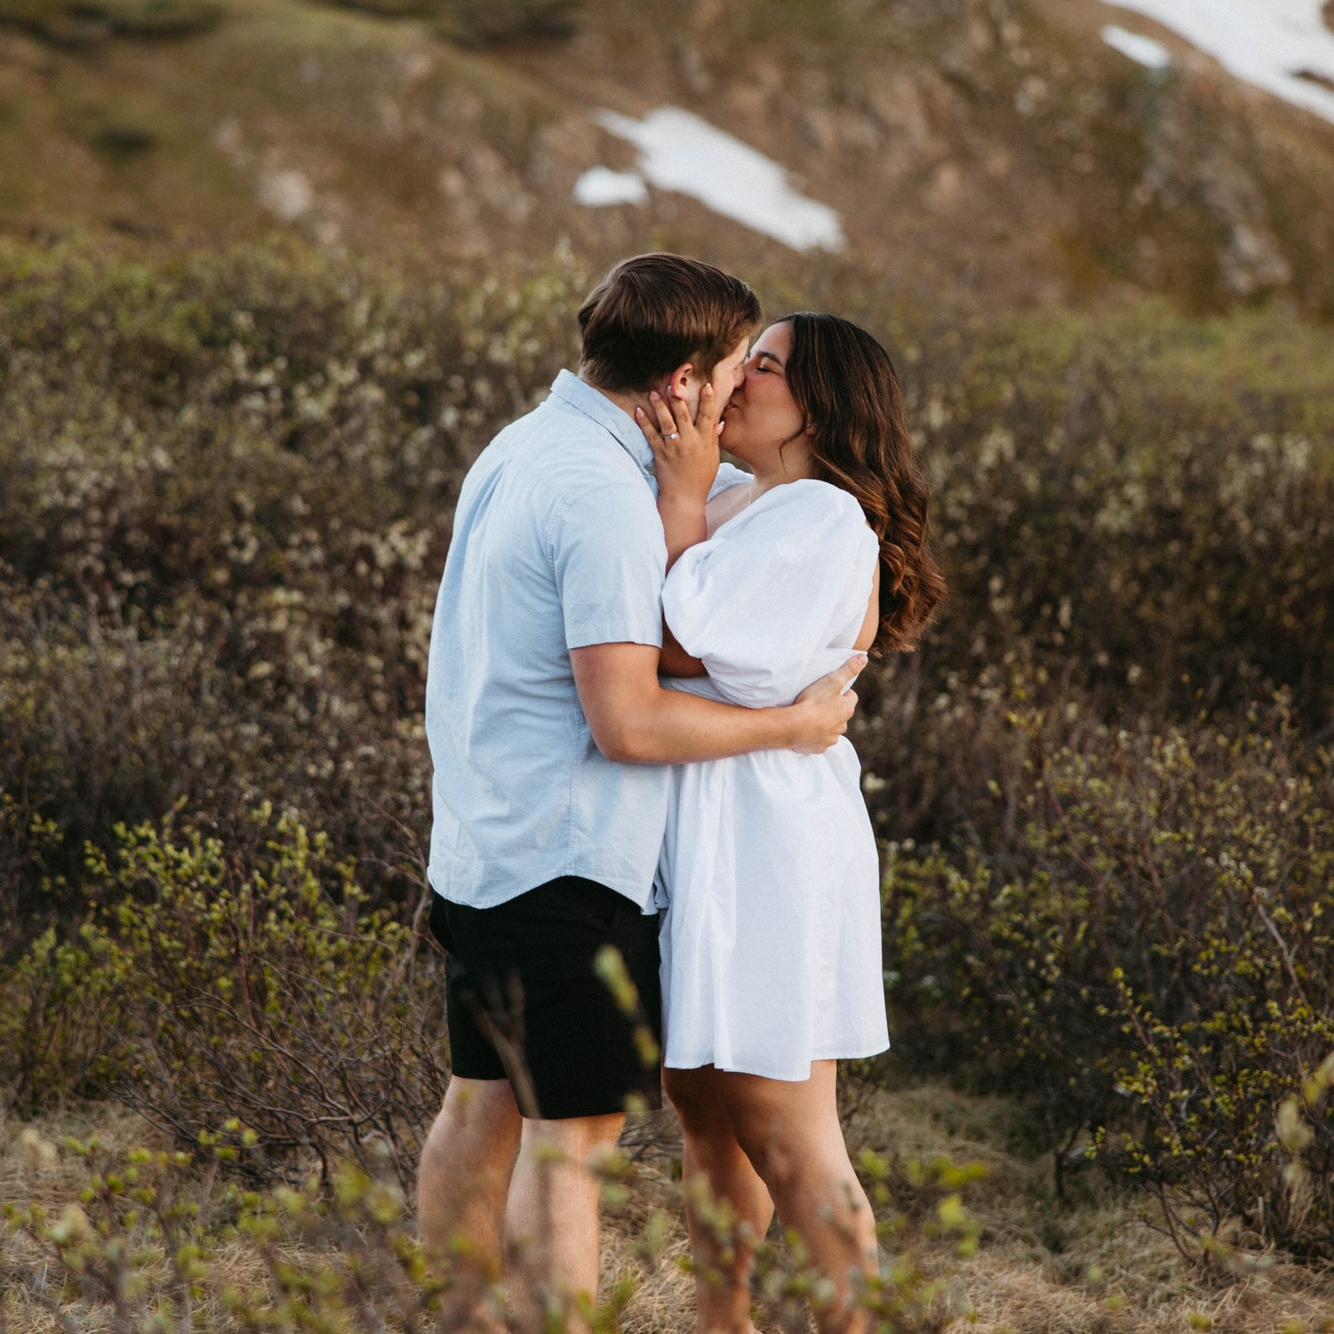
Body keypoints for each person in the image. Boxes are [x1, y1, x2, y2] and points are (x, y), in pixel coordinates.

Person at [415, 256, 869, 1331]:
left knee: (480, 1105)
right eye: (730, 369)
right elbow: (628, 718)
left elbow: (799, 543)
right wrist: (792, 725)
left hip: (486, 838)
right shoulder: (603, 493)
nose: (735, 391)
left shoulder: (527, 443)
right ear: (681, 381)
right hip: (569, 852)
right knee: (570, 1137)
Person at [634, 312, 946, 1334]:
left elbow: (675, 642)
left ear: (823, 404)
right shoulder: (750, 499)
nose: (737, 382)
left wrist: (679, 496)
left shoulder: (820, 516)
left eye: (762, 366)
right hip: (718, 823)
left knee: (781, 1116)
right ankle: (722, 1316)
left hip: (769, 835)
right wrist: (692, 492)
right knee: (705, 1099)